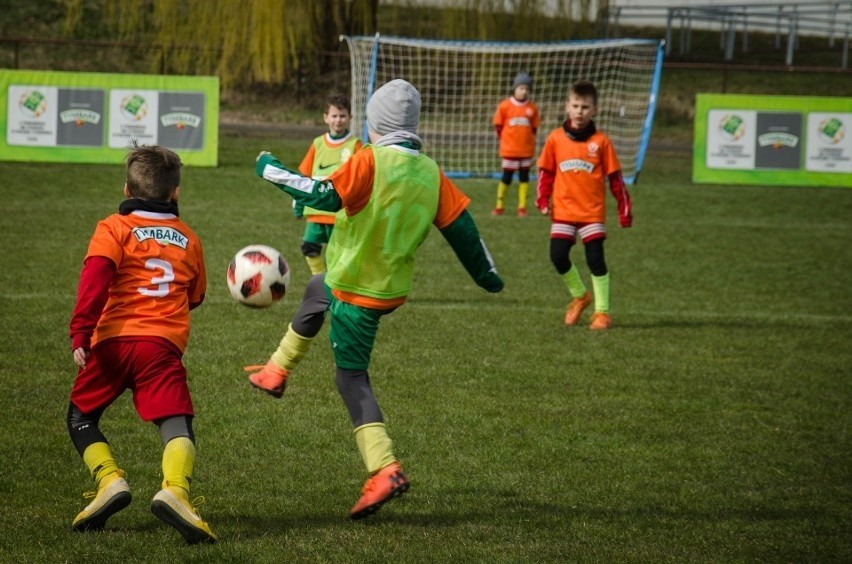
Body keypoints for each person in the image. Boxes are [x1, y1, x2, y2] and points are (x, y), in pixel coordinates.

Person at [249, 79, 504, 519]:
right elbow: (464, 230)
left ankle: (384, 468)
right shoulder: (431, 171)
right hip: (382, 286)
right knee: (315, 288)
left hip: (356, 291)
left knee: (350, 378)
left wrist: (270, 168)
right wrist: (489, 276)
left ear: (374, 123)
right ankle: (275, 370)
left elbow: (321, 194)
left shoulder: (369, 161)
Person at [66, 144, 216, 544]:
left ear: (127, 188)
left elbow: (95, 279)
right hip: (161, 346)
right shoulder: (190, 238)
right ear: (176, 193)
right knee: (176, 424)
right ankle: (176, 491)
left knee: (81, 417)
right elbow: (196, 296)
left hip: (111, 343)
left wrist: (81, 332)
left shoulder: (113, 227)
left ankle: (110, 480)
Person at [535, 79, 632, 331]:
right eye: (575, 105)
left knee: (595, 259)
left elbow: (616, 179)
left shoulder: (601, 142)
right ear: (567, 106)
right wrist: (543, 199)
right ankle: (580, 296)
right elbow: (546, 173)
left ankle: (602, 312)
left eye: (585, 107)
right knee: (557, 256)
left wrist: (624, 209)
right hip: (564, 211)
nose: (580, 111)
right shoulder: (556, 138)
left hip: (591, 213)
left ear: (595, 110)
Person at [294, 93, 362, 275]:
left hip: (340, 214)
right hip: (316, 211)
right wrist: (299, 203)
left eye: (342, 116)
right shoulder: (317, 144)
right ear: (326, 118)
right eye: (334, 116)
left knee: (338, 256)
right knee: (309, 247)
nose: (338, 120)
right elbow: (304, 176)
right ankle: (320, 280)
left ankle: (335, 285)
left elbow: (361, 178)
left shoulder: (355, 145)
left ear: (350, 118)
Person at [491, 71, 540, 217]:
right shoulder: (505, 106)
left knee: (524, 178)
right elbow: (498, 126)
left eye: (527, 89)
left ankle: (522, 207)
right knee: (506, 177)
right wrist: (506, 140)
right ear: (515, 88)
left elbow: (534, 128)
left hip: (525, 151)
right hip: (509, 151)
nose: (524, 91)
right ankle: (499, 206)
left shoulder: (532, 108)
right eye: (521, 88)